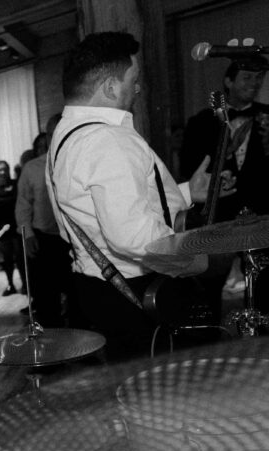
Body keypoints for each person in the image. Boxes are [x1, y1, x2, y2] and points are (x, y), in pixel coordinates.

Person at [47, 32, 216, 359]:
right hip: (134, 291)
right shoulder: (107, 140)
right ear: (110, 87)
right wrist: (195, 256)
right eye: (133, 80)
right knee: (164, 389)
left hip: (99, 287)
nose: (137, 88)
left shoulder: (67, 134)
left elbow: (103, 203)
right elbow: (133, 236)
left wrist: (185, 192)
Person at [181, 55, 269, 316]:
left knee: (264, 284)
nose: (254, 83)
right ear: (228, 81)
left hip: (261, 212)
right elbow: (190, 168)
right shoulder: (201, 122)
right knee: (208, 286)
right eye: (247, 77)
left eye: (259, 78)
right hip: (218, 214)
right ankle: (209, 343)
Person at [17, 121, 73, 328]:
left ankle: (82, 349)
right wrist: (28, 235)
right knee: (47, 301)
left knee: (77, 298)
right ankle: (54, 352)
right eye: (50, 134)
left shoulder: (74, 162)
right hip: (45, 241)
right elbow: (23, 205)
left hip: (75, 241)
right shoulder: (32, 168)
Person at [0, 160, 24, 296]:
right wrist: (7, 199)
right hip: (2, 230)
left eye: (4, 169)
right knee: (7, 259)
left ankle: (25, 284)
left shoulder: (16, 185)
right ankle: (10, 284)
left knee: (21, 257)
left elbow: (16, 200)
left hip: (17, 226)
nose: (2, 172)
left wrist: (0, 200)